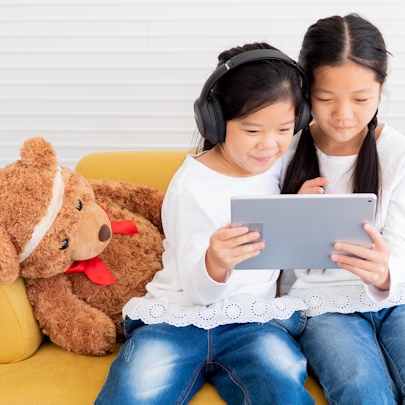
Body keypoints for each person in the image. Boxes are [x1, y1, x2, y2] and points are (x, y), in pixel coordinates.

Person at [95, 42, 314, 405]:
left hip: (251, 322)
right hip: (180, 319)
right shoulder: (191, 186)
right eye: (252, 130)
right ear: (215, 122)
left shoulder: (279, 164)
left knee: (282, 390)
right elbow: (199, 293)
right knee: (134, 393)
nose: (269, 144)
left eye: (283, 130)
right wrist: (215, 263)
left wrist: (298, 209)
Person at [281, 14, 405, 404]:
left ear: (381, 91)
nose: (344, 114)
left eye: (361, 99)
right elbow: (267, 247)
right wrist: (292, 215)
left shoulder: (402, 155)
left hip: (403, 291)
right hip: (323, 303)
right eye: (326, 98)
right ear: (305, 91)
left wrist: (385, 272)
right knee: (364, 394)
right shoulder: (281, 149)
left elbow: (401, 243)